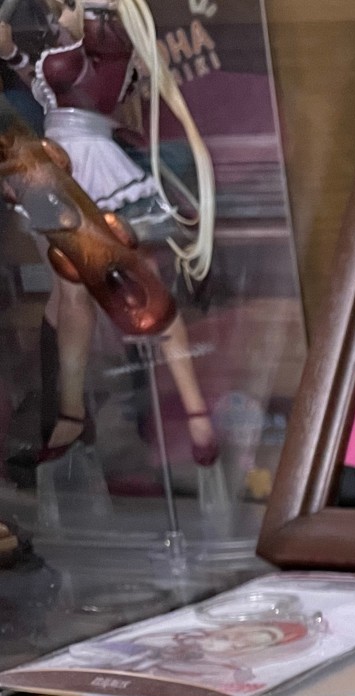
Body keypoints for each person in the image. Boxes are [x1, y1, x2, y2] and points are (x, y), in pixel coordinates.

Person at [0, 0, 218, 467]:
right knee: (70, 294)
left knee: (135, 283)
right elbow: (47, 92)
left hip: (88, 163)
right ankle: (71, 414)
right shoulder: (76, 39)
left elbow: (85, 75)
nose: (60, 11)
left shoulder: (108, 35)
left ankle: (191, 412)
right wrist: (14, 54)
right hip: (52, 166)